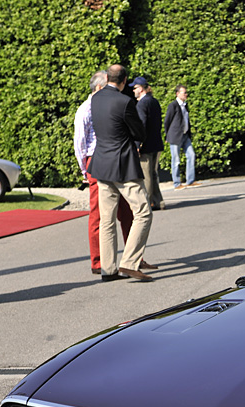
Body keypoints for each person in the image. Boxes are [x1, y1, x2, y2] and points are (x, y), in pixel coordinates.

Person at [88, 64, 156, 282]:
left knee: (107, 220)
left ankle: (108, 269)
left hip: (101, 164)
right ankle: (129, 262)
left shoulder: (95, 99)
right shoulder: (125, 101)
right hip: (123, 164)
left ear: (107, 77)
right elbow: (139, 131)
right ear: (124, 80)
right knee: (143, 212)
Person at [74, 69, 132, 275]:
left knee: (126, 211)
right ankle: (98, 261)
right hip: (96, 160)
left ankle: (132, 258)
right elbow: (80, 143)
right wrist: (85, 168)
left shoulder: (104, 104)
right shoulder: (85, 110)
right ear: (99, 87)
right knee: (98, 214)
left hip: (112, 159)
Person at [130, 76, 165, 211]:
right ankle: (158, 201)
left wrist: (138, 144)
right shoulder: (154, 101)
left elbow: (141, 125)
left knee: (147, 175)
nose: (133, 90)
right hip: (156, 143)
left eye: (135, 87)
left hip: (147, 145)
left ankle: (148, 202)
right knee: (153, 173)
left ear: (142, 89)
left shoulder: (142, 104)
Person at [163, 85, 197, 189]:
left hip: (185, 135)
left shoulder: (185, 105)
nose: (186, 94)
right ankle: (177, 183)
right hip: (175, 136)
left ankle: (190, 180)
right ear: (177, 94)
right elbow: (167, 121)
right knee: (176, 160)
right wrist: (167, 135)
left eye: (186, 92)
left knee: (191, 155)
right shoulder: (173, 105)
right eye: (184, 93)